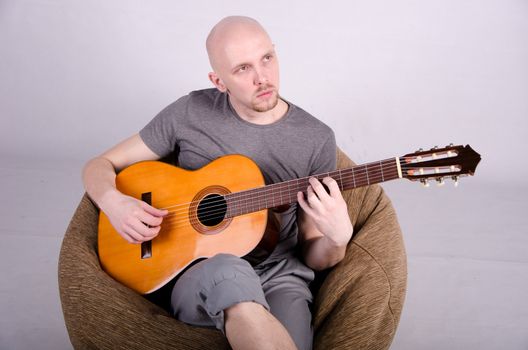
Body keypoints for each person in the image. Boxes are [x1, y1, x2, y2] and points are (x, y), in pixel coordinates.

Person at [83, 16, 353, 350]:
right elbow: (98, 165)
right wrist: (114, 202)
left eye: (266, 58)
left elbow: (314, 255)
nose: (262, 78)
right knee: (228, 268)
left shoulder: (316, 138)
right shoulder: (189, 112)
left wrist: (338, 238)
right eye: (242, 69)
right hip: (201, 272)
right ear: (218, 80)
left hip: (279, 276)